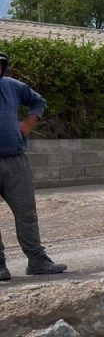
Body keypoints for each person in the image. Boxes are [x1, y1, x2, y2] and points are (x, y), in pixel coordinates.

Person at [0, 52, 66, 281]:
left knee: (26, 212)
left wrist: (29, 122)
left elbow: (38, 101)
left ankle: (37, 261)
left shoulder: (12, 86)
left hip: (15, 160)